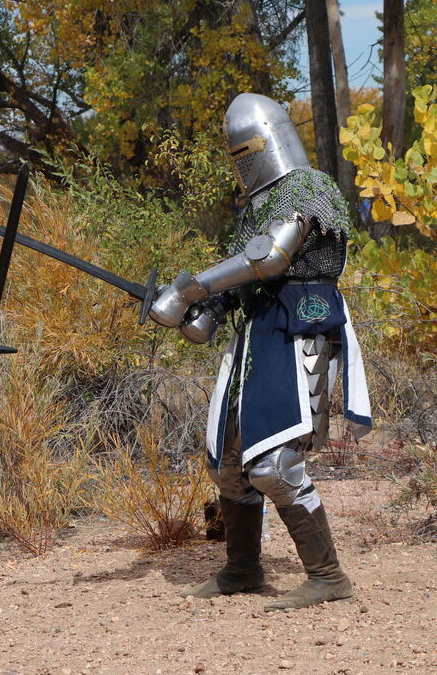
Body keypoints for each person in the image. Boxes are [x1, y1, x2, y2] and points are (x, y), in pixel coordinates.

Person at [148, 93, 372, 612]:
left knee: (274, 464)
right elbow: (237, 288)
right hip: (256, 335)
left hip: (301, 328)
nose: (242, 161)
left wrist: (187, 290)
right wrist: (194, 315)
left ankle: (328, 575)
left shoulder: (308, 186)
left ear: (269, 139)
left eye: (245, 149)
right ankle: (242, 569)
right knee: (229, 463)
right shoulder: (252, 209)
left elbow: (270, 258)